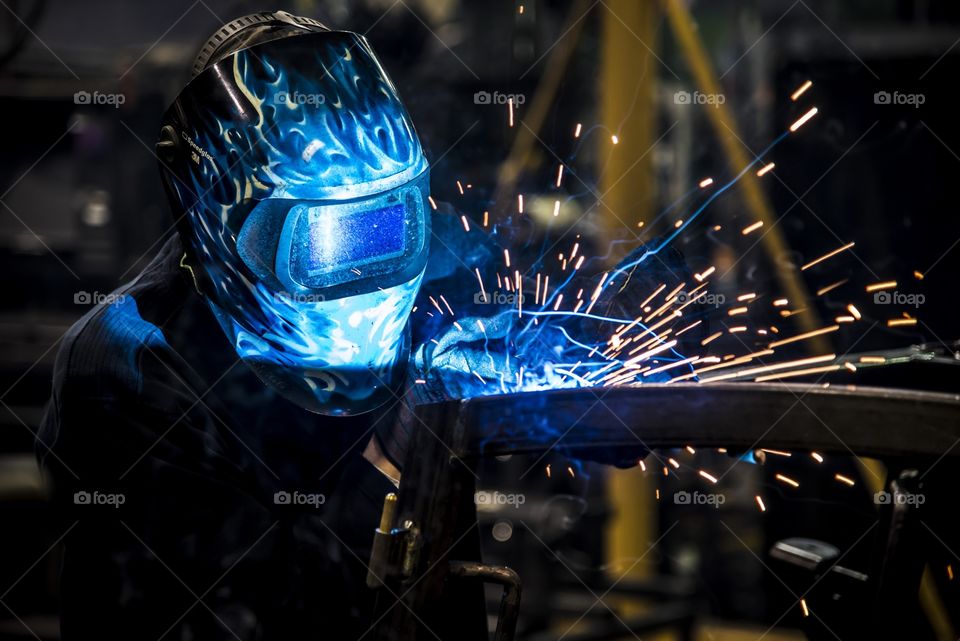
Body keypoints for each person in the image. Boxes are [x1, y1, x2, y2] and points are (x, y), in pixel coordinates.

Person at [37, 10, 698, 640]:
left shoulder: (415, 301)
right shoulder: (128, 369)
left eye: (384, 224)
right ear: (236, 226)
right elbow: (239, 610)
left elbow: (538, 361)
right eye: (326, 242)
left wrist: (600, 393)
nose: (366, 282)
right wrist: (395, 463)